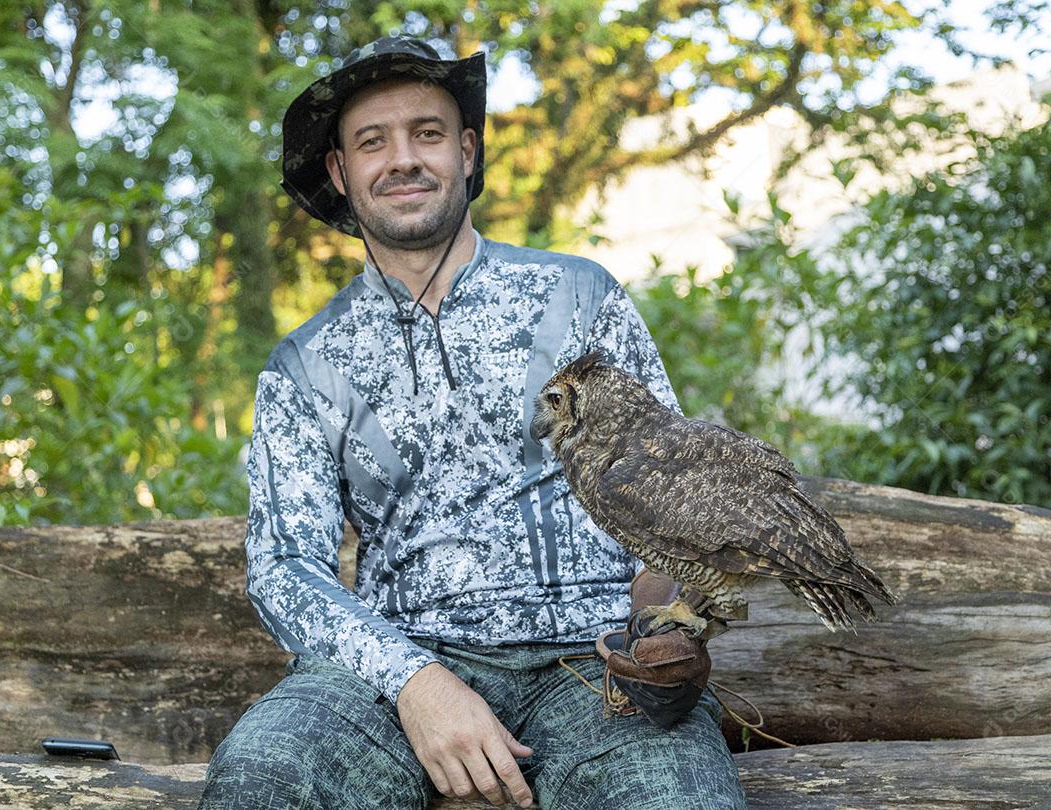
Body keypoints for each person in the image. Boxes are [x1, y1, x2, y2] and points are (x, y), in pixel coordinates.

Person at [199, 36, 747, 810]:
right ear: (340, 173)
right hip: (389, 674)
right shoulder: (307, 363)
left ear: (465, 150)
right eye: (371, 141)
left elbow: (668, 500)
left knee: (677, 800)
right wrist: (418, 683)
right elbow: (284, 565)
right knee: (264, 774)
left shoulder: (580, 298)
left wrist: (666, 626)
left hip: (591, 665)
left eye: (426, 133)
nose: (403, 159)